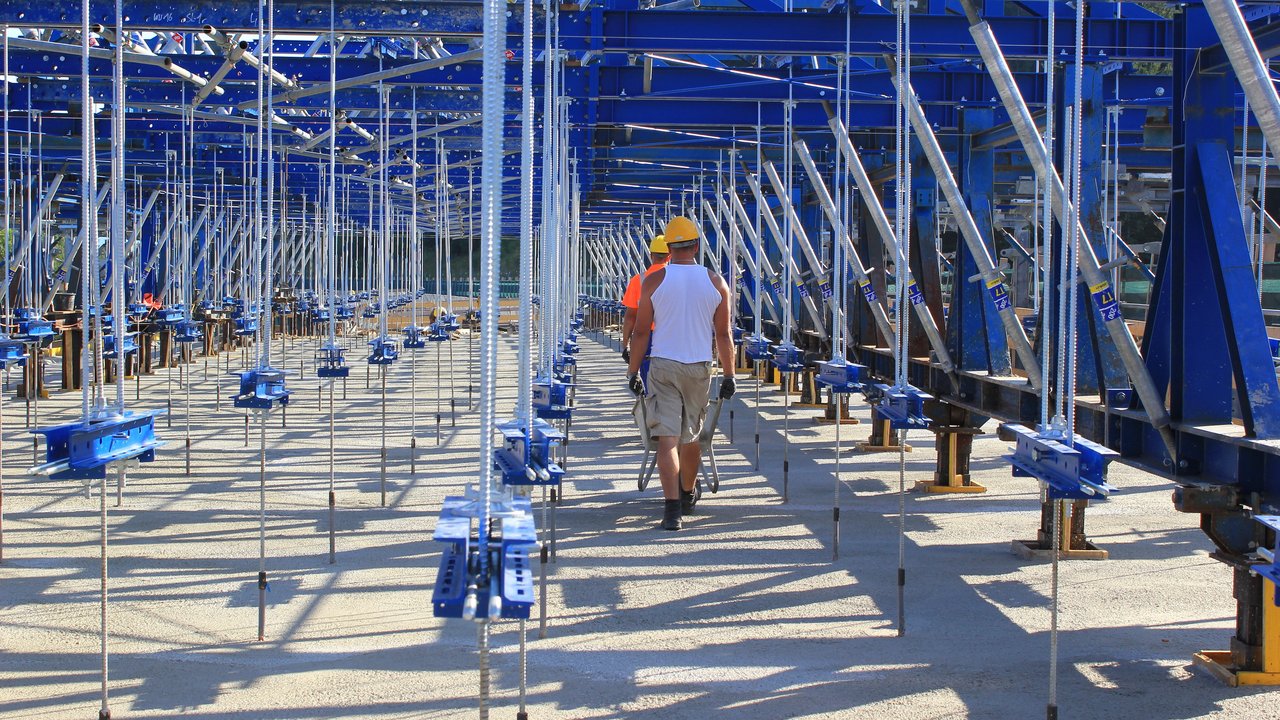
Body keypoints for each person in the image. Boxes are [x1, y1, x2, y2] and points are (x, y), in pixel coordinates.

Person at [627, 216, 736, 531]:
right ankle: (688, 494)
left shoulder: (654, 282)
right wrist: (729, 375)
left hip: (662, 366)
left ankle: (671, 511)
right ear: (697, 246)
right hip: (699, 367)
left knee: (667, 439)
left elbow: (640, 334)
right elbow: (723, 335)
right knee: (692, 437)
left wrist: (633, 370)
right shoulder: (716, 283)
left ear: (669, 248)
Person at [620, 234, 669, 365]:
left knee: (646, 378)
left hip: (644, 337)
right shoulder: (678, 280)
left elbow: (630, 316)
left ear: (651, 255)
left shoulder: (638, 280)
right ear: (669, 256)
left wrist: (625, 345)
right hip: (670, 336)